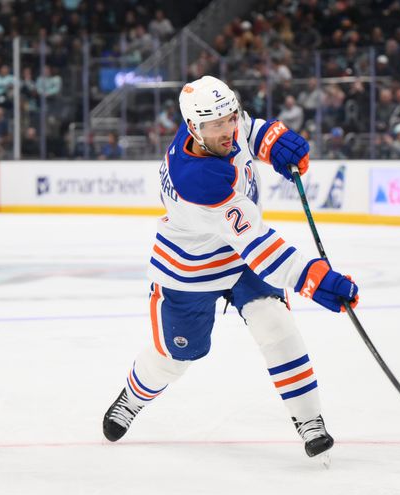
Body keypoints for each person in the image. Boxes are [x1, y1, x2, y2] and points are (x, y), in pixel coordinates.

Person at [101, 76, 359, 461]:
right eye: (216, 124)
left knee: (275, 323)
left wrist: (274, 140)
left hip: (238, 260)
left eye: (230, 118)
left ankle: (309, 421)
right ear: (193, 128)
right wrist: (314, 280)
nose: (228, 131)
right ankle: (132, 398)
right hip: (190, 269)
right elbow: (258, 245)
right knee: (176, 356)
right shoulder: (198, 179)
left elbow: (250, 130)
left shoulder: (215, 126)